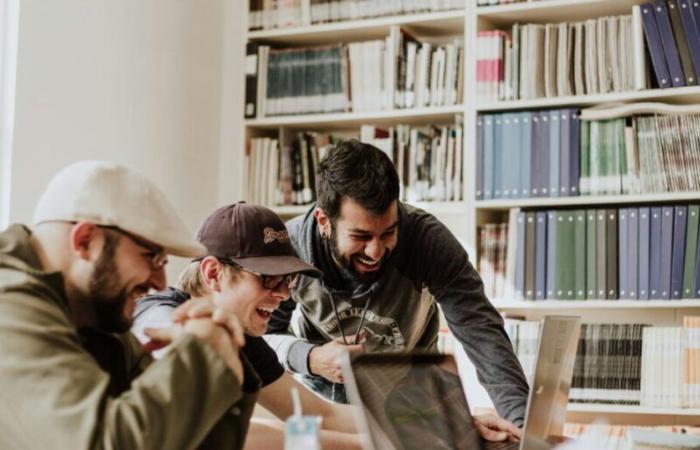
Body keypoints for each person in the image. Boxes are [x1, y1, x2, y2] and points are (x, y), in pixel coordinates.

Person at [264, 139, 530, 433]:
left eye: (388, 232)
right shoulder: (290, 248)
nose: (376, 251)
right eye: (361, 236)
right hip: (323, 408)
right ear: (324, 221)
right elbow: (262, 339)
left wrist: (523, 429)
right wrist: (310, 358)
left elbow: (482, 331)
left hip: (413, 401)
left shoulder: (427, 241)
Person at [0, 161, 252, 449]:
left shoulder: (98, 315)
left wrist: (222, 352)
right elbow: (106, 444)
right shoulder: (9, 304)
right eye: (152, 257)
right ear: (85, 241)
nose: (160, 282)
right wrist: (202, 352)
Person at [132, 202, 361, 450]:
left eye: (289, 279)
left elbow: (322, 415)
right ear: (213, 274)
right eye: (270, 278)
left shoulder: (242, 336)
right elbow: (223, 434)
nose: (284, 294)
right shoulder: (158, 312)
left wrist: (401, 422)